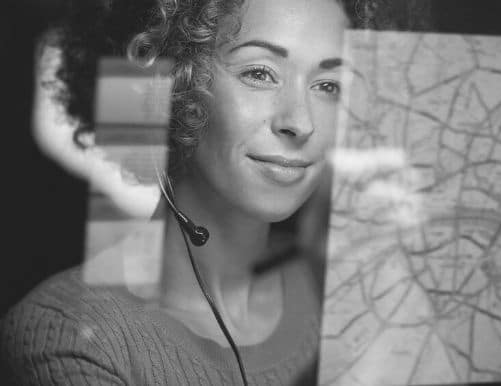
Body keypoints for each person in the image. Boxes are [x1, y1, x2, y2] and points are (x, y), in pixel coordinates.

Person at [0, 0, 367, 384]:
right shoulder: (69, 337)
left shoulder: (350, 296)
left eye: (328, 85)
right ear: (170, 85)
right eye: (259, 73)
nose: (301, 123)